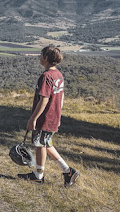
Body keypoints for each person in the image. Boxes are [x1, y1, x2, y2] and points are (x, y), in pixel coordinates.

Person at [18, 45, 80, 186]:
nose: (39, 57)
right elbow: (61, 97)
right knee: (46, 144)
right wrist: (58, 116)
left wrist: (33, 118)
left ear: (46, 58)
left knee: (40, 144)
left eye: (41, 55)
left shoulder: (46, 76)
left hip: (44, 118)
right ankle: (68, 171)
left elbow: (44, 99)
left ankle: (38, 175)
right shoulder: (58, 75)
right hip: (54, 116)